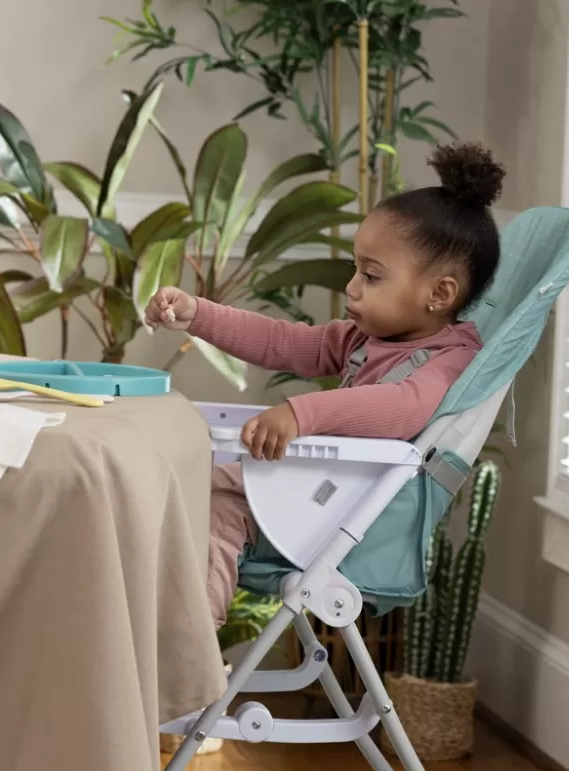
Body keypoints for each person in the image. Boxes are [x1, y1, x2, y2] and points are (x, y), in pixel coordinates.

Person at [145, 141, 506, 628]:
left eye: (371, 276)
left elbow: (402, 407)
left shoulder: (449, 361)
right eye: (357, 269)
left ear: (439, 294)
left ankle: (187, 653)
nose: (352, 287)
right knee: (170, 490)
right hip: (300, 493)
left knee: (210, 519)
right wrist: (198, 315)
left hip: (331, 519)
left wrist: (303, 414)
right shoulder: (366, 338)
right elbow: (280, 341)